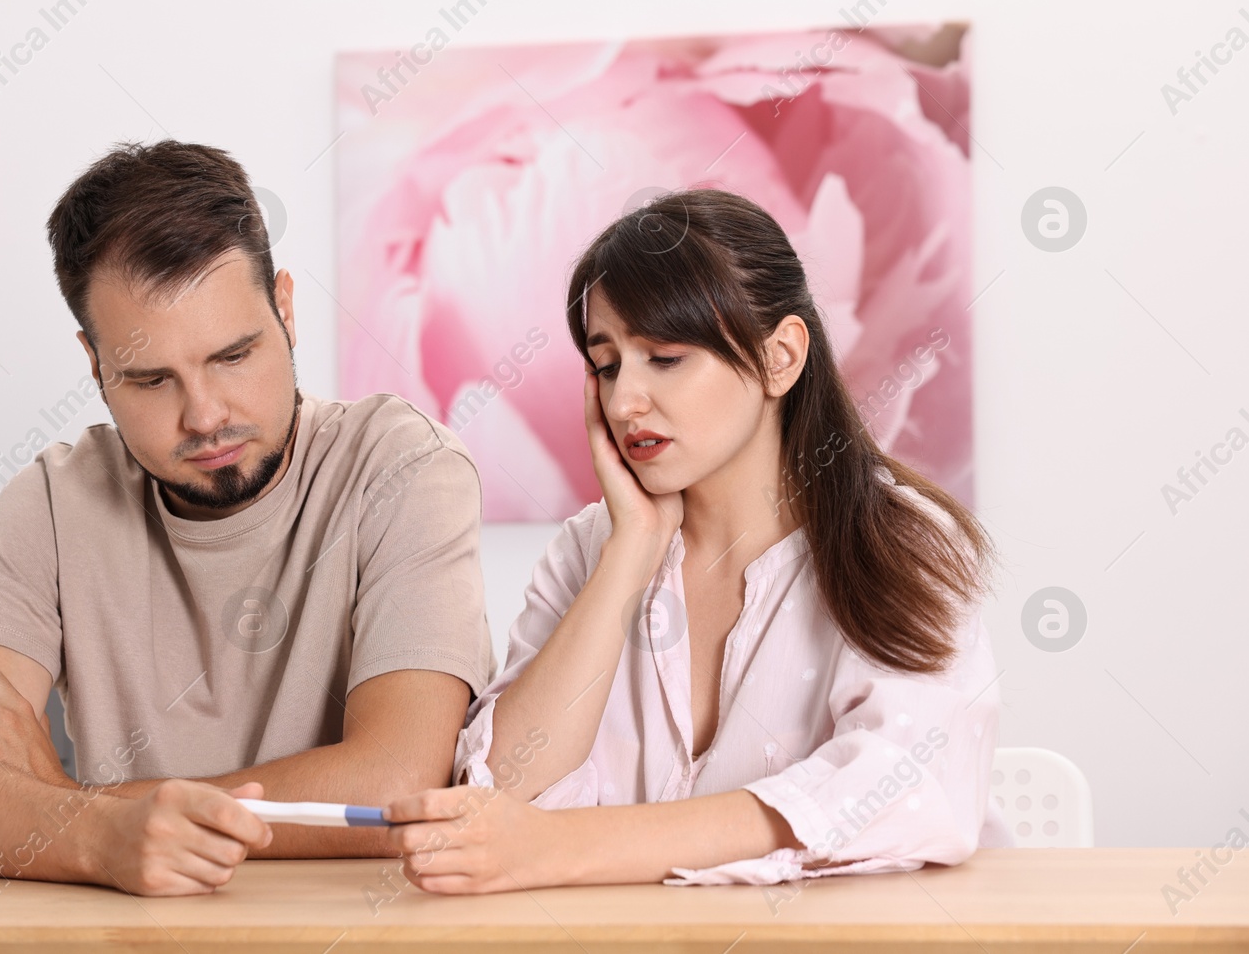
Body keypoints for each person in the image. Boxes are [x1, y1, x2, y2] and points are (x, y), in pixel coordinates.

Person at [0, 141, 494, 898]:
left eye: (234, 355)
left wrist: (74, 809)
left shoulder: (402, 466)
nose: (205, 415)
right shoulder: (50, 503)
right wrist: (104, 835)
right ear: (93, 362)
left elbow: (396, 780)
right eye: (149, 377)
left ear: (287, 309)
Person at [382, 188, 1010, 892]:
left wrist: (562, 848)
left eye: (666, 357)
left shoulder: (904, 539)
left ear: (781, 357)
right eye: (607, 362)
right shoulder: (592, 548)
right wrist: (629, 555)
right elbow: (501, 799)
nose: (624, 402)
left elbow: (896, 784)